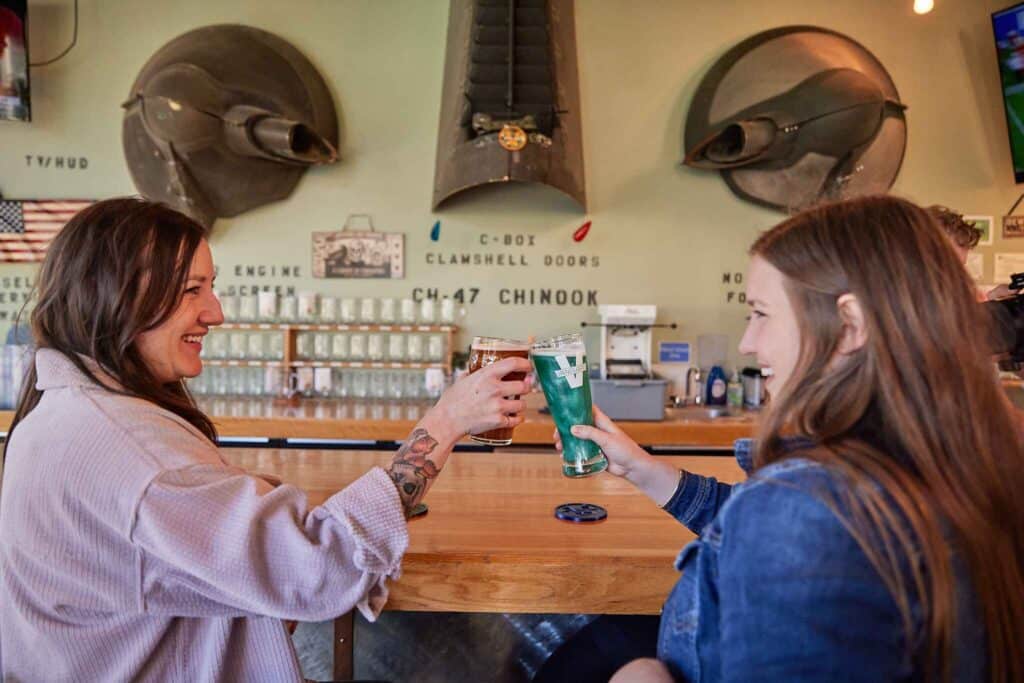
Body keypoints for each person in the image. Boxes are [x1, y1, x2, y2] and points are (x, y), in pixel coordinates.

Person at [0, 197, 532, 681]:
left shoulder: (63, 414)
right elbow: (321, 569)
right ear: (118, 297)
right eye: (192, 290)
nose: (216, 312)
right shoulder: (138, 456)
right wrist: (445, 422)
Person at [561, 196, 1024, 681]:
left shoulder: (804, 507)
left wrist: (643, 678)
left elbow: (795, 527)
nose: (747, 343)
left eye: (760, 313)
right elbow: (776, 534)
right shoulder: (959, 455)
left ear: (850, 326)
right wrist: (643, 468)